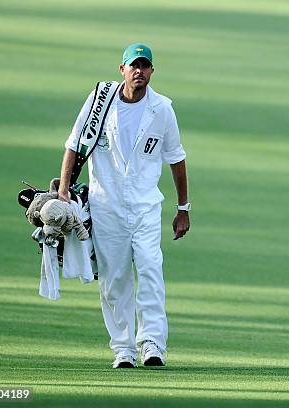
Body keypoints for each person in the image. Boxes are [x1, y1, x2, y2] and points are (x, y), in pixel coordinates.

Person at [58, 43, 190, 368]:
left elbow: (177, 158)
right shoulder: (99, 103)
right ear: (122, 69)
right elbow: (74, 145)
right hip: (106, 207)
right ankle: (123, 349)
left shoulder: (162, 109)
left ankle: (153, 346)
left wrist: (183, 208)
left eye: (145, 66)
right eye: (134, 65)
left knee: (150, 271)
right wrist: (63, 190)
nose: (139, 71)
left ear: (152, 72)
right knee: (115, 278)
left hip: (145, 207)